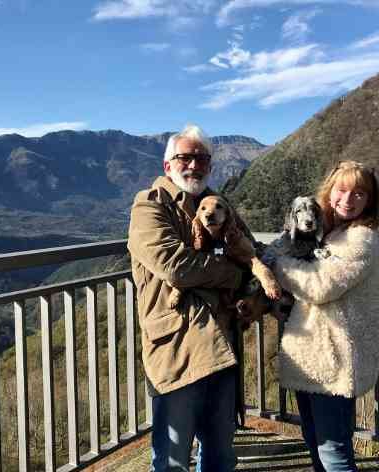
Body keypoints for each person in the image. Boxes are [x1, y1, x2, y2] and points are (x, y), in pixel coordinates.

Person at [127, 124, 243, 472]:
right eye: (185, 158)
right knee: (173, 459)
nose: (194, 165)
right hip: (176, 346)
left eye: (202, 159)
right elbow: (176, 266)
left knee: (221, 454)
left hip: (221, 342)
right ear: (168, 166)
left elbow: (247, 247)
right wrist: (233, 275)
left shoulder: (218, 203)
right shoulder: (149, 205)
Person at [272, 160, 379, 472]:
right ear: (330, 191)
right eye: (342, 190)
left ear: (370, 201)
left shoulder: (361, 238)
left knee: (333, 452)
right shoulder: (328, 232)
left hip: (334, 358)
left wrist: (276, 265)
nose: (348, 200)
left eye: (360, 194)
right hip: (312, 355)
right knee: (316, 440)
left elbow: (319, 286)